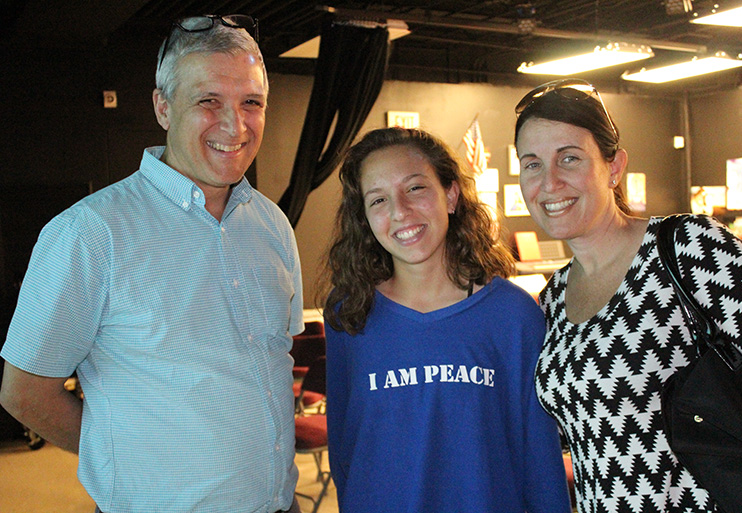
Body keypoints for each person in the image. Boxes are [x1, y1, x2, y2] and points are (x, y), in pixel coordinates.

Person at [0, 15, 303, 513]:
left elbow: (272, 362)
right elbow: (26, 393)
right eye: (209, 101)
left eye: (252, 103)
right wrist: (130, 454)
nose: (235, 124)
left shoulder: (271, 225)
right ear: (163, 106)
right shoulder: (89, 233)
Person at [514, 78, 742, 512]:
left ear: (614, 167)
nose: (550, 182)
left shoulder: (686, 248)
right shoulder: (553, 297)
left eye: (569, 158)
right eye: (532, 164)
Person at [321, 127, 571, 512]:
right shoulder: (349, 314)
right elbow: (344, 452)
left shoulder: (513, 315)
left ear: (451, 195)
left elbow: (540, 462)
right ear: (365, 218)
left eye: (416, 188)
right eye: (378, 200)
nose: (400, 211)